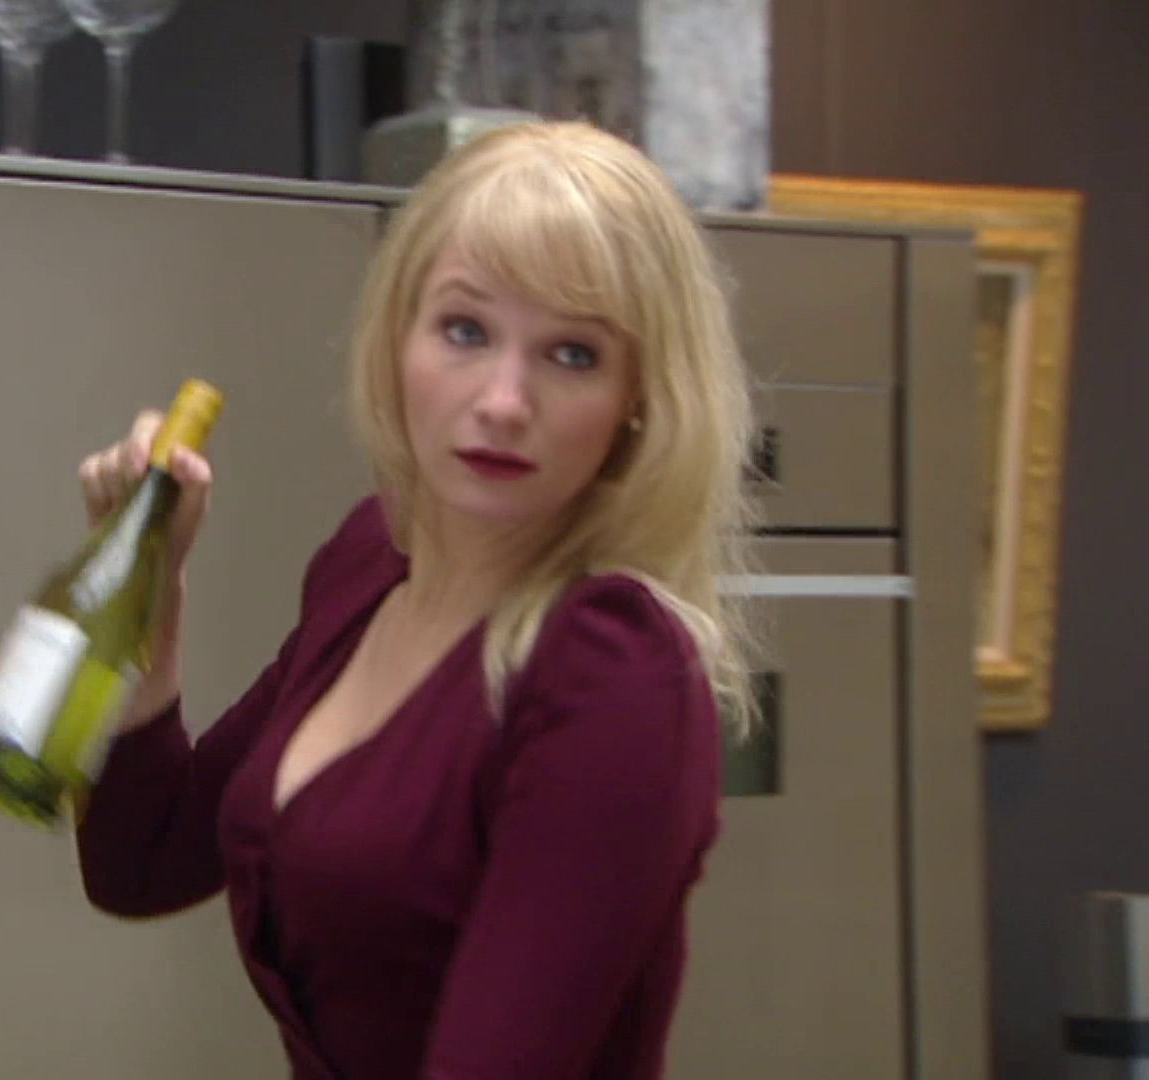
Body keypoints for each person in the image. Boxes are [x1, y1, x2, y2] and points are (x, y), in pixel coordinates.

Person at [72, 120, 757, 1080]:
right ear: (399, 338)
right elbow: (142, 862)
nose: (504, 401)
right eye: (465, 331)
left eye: (572, 355)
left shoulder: (612, 667)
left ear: (640, 400)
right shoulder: (373, 560)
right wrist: (150, 586)